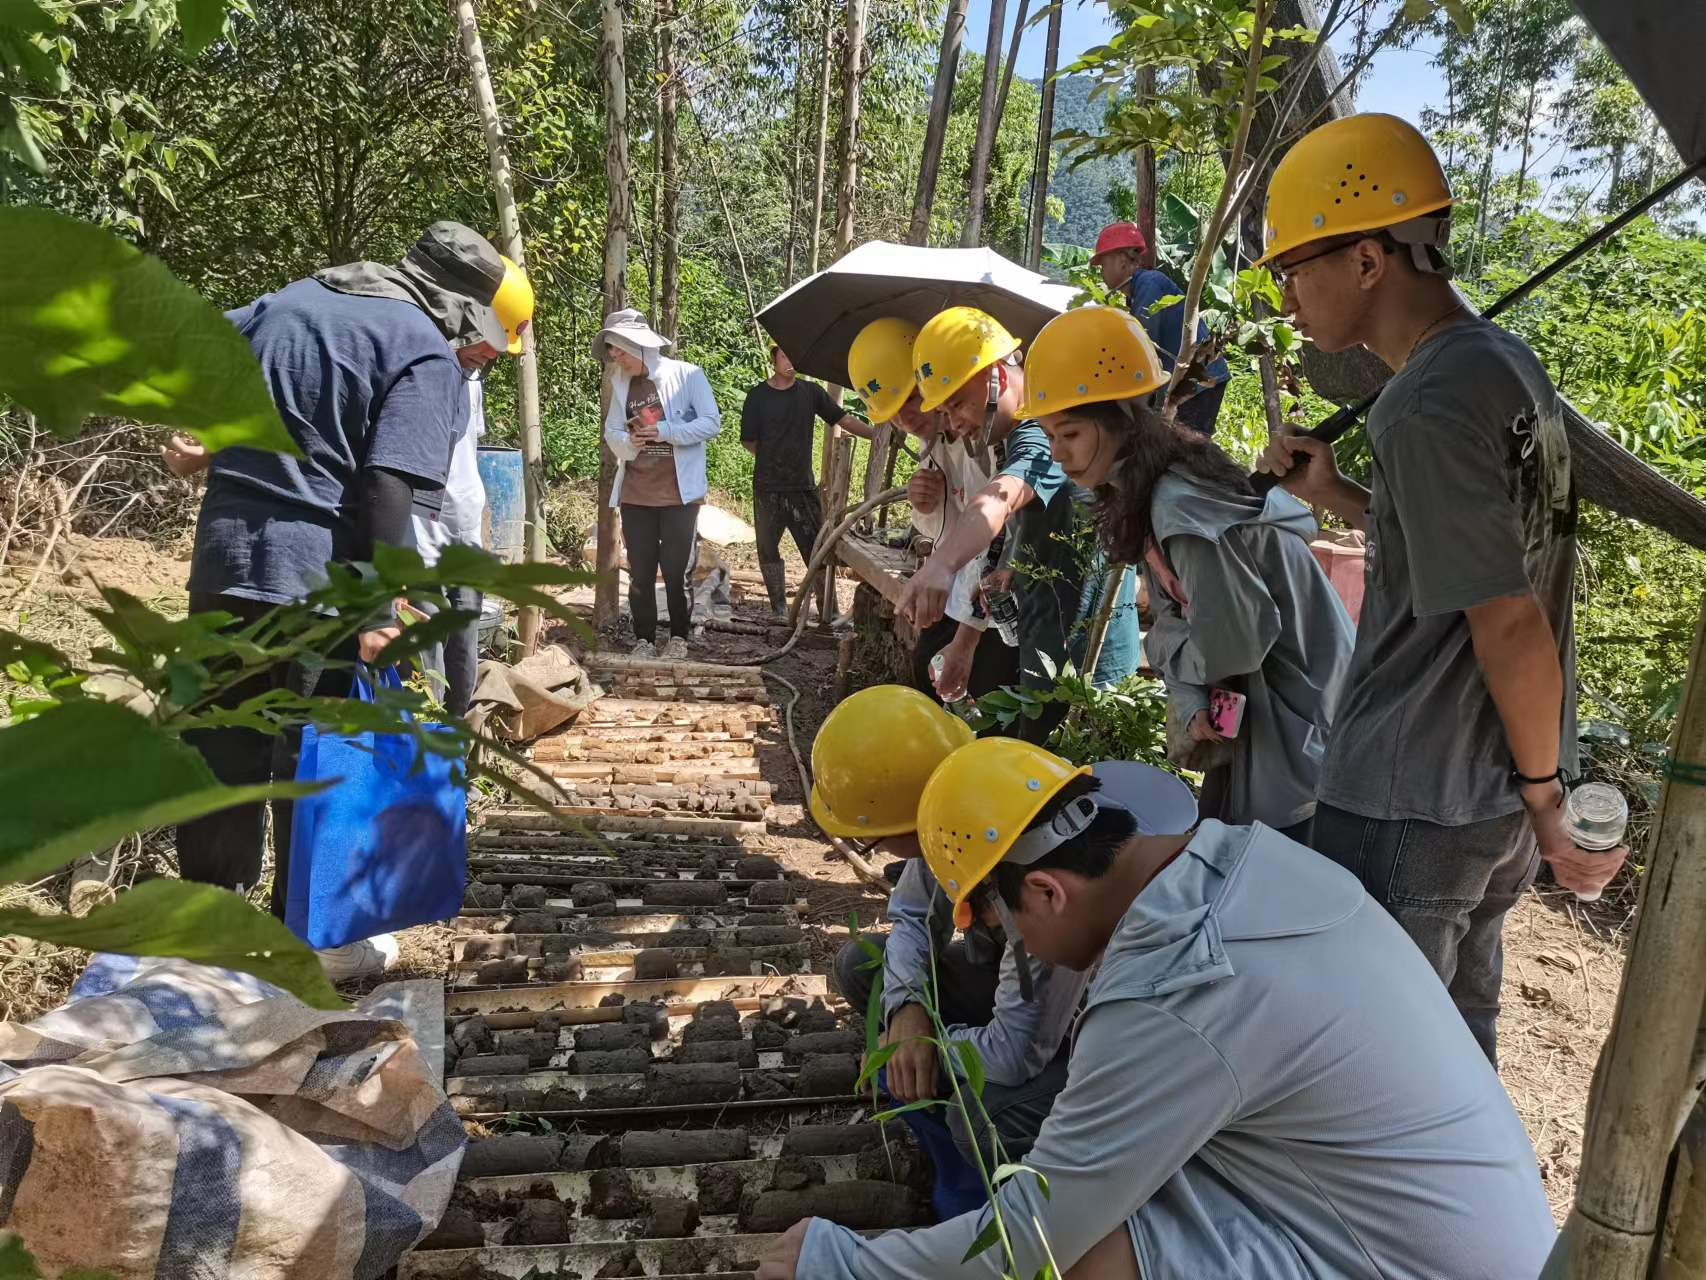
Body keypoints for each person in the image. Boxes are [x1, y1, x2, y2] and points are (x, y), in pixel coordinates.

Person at [758, 737, 1557, 1280]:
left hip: (1404, 1263)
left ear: (1048, 891)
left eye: (1005, 927)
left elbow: (1034, 1234)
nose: (1016, 948)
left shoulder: (1175, 987)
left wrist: (841, 1264)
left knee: (1085, 1258)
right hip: (1429, 1229)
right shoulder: (1246, 862)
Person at [1254, 113, 1628, 1063]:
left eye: (1293, 267)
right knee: (1455, 1060)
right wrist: (1342, 495)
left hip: (1410, 796)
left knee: (1372, 1072)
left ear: (1367, 259)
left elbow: (1507, 620)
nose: (1287, 297)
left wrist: (1550, 803)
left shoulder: (1422, 402)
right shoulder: (1504, 365)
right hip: (1483, 801)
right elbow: (1478, 553)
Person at [169, 223, 532, 981]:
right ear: (461, 309)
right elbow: (388, 486)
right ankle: (311, 940)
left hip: (227, 564)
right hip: (322, 579)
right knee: (316, 754)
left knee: (223, 748)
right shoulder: (420, 348)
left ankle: (211, 933)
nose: (483, 353)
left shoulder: (285, 302)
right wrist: (380, 612)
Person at [814, 687, 1193, 1219]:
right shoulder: (970, 822)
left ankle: (1005, 1199)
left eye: (874, 842)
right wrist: (908, 1010)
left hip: (1100, 1039)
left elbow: (1018, 1049)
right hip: (1031, 996)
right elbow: (913, 918)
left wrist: (935, 1047)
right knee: (865, 966)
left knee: (984, 1110)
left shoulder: (1042, 881)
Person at [1025, 305, 1354, 835]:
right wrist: (1190, 691)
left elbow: (1233, 643)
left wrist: (1162, 649)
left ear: (1123, 420)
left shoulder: (1179, 505)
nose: (1058, 454)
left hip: (1305, 724)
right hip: (1268, 721)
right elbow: (1181, 616)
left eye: (1072, 434)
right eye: (1049, 437)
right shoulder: (1148, 489)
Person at [896, 307, 1141, 739]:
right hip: (1044, 650)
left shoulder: (1043, 433)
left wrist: (941, 565)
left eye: (958, 404)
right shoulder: (1011, 438)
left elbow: (999, 498)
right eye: (945, 412)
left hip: (1086, 672)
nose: (954, 423)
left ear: (996, 376)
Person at [846, 316, 1018, 704]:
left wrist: (965, 638)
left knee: (983, 689)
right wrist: (926, 505)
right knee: (927, 666)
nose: (905, 418)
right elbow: (946, 526)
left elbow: (995, 525)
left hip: (995, 595)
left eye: (911, 399)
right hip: (965, 588)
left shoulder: (996, 437)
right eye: (892, 412)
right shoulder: (939, 443)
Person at [599, 309, 721, 660]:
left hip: (679, 493)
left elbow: (711, 423)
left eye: (620, 349)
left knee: (676, 570)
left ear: (640, 346)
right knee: (640, 571)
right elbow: (612, 431)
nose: (615, 357)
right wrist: (630, 442)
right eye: (611, 350)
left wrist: (665, 431)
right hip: (636, 493)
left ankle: (679, 638)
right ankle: (645, 640)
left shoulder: (687, 375)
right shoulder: (621, 381)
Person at [740, 344, 874, 619]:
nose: (789, 361)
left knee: (816, 548)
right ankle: (778, 607)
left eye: (793, 355)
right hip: (767, 486)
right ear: (774, 358)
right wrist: (771, 458)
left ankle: (828, 610)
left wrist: (877, 434)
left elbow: (843, 419)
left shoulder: (810, 393)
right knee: (767, 547)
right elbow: (748, 440)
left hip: (801, 485)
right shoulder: (757, 396)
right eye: (784, 355)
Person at [1090, 220, 1231, 435]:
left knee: (1185, 447)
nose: (1101, 272)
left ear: (1121, 262)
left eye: (1103, 265)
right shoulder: (1139, 292)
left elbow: (1143, 351)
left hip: (1200, 383)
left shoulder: (1150, 285)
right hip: (1193, 382)